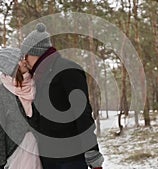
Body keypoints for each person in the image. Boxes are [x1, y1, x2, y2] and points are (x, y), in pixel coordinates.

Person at [19, 23, 104, 169]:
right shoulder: (39, 76)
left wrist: (92, 151)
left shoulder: (68, 70)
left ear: (35, 53)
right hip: (47, 157)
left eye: (25, 56)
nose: (24, 60)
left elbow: (82, 113)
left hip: (71, 158)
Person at [0, 48, 42, 169]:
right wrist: (0, 160)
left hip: (39, 149)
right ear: (13, 68)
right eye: (20, 60)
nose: (24, 61)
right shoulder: (1, 93)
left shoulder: (36, 84)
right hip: (15, 151)